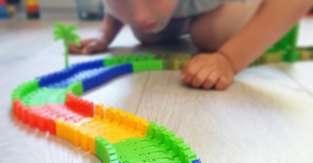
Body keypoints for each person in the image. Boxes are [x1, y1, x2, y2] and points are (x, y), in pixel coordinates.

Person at [70, 0, 313, 90]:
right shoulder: (143, 12)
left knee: (207, 34)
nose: (139, 15)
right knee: (148, 35)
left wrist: (228, 59)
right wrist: (104, 35)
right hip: (182, 11)